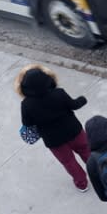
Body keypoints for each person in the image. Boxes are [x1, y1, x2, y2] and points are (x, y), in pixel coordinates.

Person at [16, 64, 91, 192]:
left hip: (54, 141)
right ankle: (98, 173)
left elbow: (27, 123)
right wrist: (83, 99)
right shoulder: (59, 93)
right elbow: (74, 105)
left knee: (68, 162)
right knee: (86, 151)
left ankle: (82, 183)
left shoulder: (26, 104)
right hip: (74, 131)